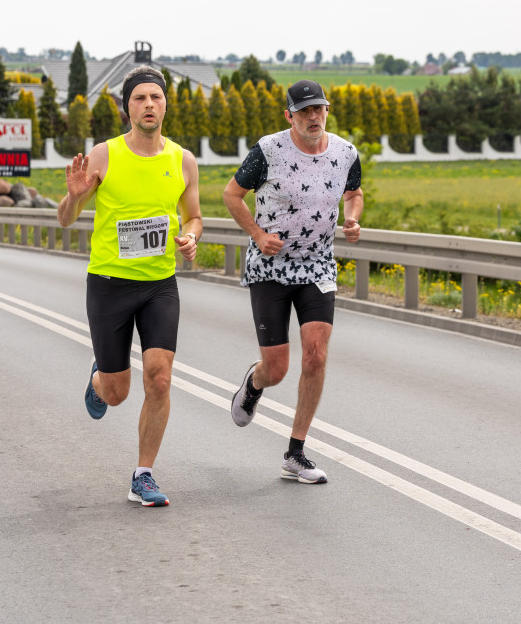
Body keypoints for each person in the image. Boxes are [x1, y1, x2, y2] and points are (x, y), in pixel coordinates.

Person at [56, 66, 202, 508]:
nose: (149, 105)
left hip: (159, 285)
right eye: (140, 98)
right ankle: (100, 378)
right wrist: (75, 195)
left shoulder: (182, 160)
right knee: (117, 392)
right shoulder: (103, 155)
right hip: (109, 284)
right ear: (127, 107)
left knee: (159, 379)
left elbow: (194, 215)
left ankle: (144, 474)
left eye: (156, 97)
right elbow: (65, 219)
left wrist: (192, 236)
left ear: (165, 105)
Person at [223, 79, 363, 484]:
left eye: (318, 109)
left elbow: (354, 192)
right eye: (303, 111)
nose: (312, 117)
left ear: (327, 110)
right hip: (271, 267)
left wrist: (352, 217)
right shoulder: (267, 151)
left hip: (318, 265)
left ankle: (295, 453)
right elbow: (232, 195)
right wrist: (258, 235)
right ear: (289, 116)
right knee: (278, 367)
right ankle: (254, 383)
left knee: (316, 354)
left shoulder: (345, 153)